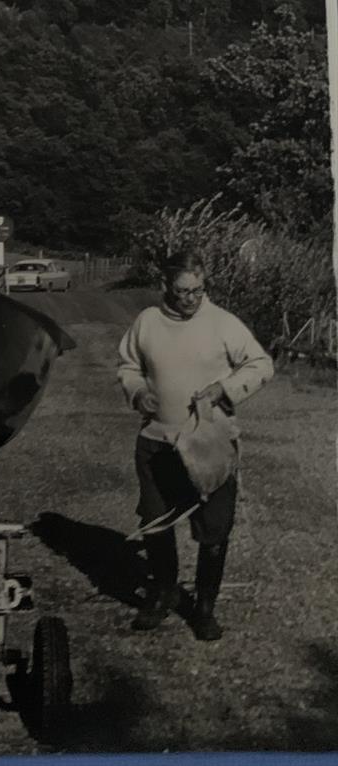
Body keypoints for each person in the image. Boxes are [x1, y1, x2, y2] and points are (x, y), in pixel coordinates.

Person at [117, 250, 273, 641]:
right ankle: (164, 593)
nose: (191, 299)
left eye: (198, 291)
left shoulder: (223, 323)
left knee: (214, 530)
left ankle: (204, 608)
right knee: (155, 523)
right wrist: (137, 392)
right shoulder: (147, 322)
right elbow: (128, 365)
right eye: (182, 291)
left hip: (210, 445)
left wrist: (226, 388)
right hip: (158, 443)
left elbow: (261, 363)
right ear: (165, 286)